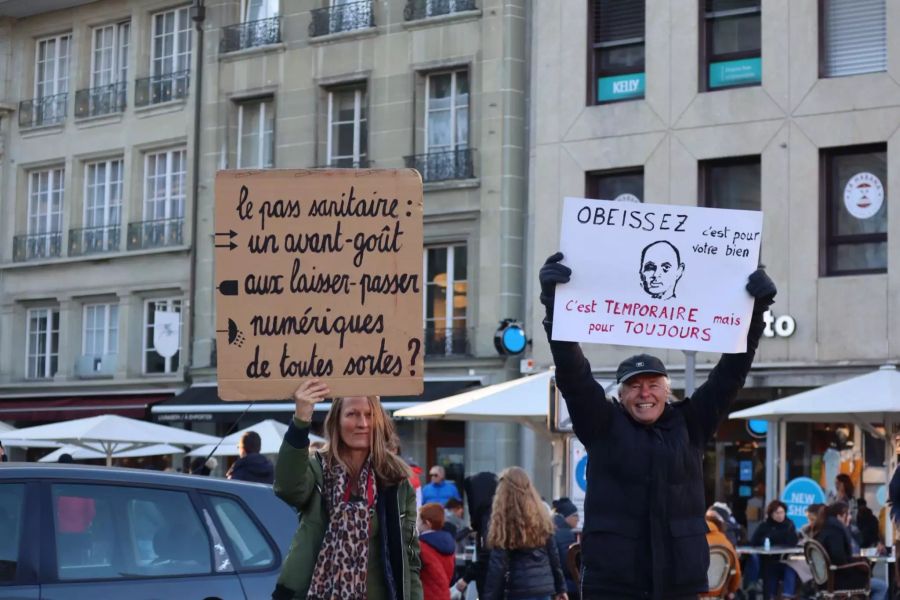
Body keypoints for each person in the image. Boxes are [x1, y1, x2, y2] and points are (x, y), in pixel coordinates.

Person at [538, 252, 776, 599]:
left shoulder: (690, 422)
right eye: (634, 385)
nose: (644, 393)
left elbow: (731, 374)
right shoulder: (602, 425)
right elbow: (574, 376)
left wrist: (754, 314)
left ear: (667, 390)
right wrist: (555, 307)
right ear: (620, 395)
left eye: (653, 384)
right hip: (615, 585)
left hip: (679, 583)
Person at [271, 379, 422, 600]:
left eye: (369, 415)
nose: (362, 423)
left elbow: (411, 556)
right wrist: (301, 417)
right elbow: (287, 488)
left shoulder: (396, 481)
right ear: (337, 422)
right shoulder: (318, 469)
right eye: (352, 414)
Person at [481, 467, 567, 600]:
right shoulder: (541, 516)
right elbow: (553, 555)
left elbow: (498, 566)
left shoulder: (505, 520)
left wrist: (489, 597)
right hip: (544, 588)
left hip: (518, 589)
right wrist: (561, 587)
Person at [814, 502, 887, 600]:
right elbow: (839, 558)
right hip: (839, 580)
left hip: (826, 580)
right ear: (839, 516)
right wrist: (857, 563)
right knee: (882, 587)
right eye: (847, 514)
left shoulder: (825, 529)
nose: (850, 517)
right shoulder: (836, 532)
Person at [454, 471, 498, 599]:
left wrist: (466, 578)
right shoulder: (493, 514)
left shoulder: (489, 518)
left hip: (491, 585)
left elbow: (488, 556)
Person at [749, 500, 798, 599]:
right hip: (768, 560)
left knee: (791, 568)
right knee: (770, 572)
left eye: (782, 512)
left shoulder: (789, 525)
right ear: (771, 514)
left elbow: (793, 542)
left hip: (785, 560)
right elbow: (754, 542)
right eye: (777, 513)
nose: (780, 515)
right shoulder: (764, 526)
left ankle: (787, 596)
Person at [418, 503, 456, 600]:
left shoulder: (421, 546)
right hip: (445, 595)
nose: (416, 523)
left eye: (419, 520)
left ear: (427, 523)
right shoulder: (450, 545)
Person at [703, 510, 741, 599]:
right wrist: (731, 590)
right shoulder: (726, 543)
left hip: (696, 593)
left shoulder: (694, 541)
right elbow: (737, 573)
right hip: (718, 593)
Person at [551, 497, 580, 599]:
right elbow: (569, 565)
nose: (578, 519)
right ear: (567, 517)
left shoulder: (553, 528)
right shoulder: (566, 533)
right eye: (575, 515)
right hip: (567, 587)